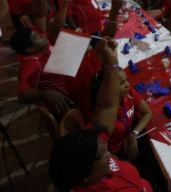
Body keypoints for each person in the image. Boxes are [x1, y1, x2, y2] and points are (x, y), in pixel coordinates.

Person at [49, 38, 154, 191]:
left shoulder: (91, 149)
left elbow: (106, 107)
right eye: (104, 152)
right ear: (84, 178)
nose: (108, 151)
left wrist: (112, 62)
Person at [89, 68, 152, 162]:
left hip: (130, 144)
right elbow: (100, 153)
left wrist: (133, 134)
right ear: (109, 89)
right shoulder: (102, 117)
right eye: (122, 83)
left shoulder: (128, 93)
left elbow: (148, 113)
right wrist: (122, 162)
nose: (128, 84)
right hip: (115, 156)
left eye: (126, 80)